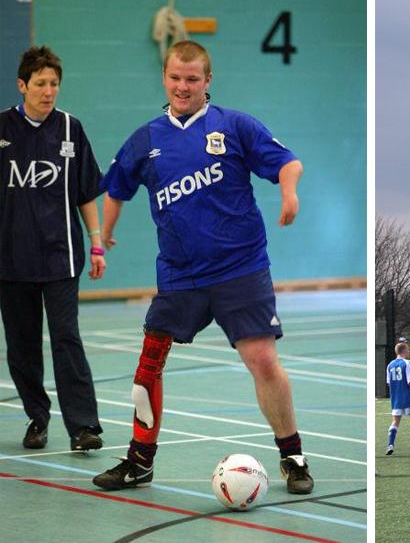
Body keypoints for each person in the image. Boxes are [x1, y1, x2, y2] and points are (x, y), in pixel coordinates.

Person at [92, 41, 311, 493]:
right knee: (147, 367)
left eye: (192, 79)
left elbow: (288, 162)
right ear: (165, 78)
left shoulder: (234, 125)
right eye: (176, 77)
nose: (183, 86)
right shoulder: (146, 138)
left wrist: (289, 193)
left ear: (207, 81)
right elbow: (116, 188)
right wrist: (104, 236)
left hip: (240, 268)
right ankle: (139, 461)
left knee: (263, 361)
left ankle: (293, 456)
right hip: (180, 275)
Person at [0, 46, 105, 452]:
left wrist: (96, 244)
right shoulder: (4, 129)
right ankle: (36, 418)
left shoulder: (70, 129)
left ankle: (84, 427)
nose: (49, 92)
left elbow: (85, 194)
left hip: (61, 258)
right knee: (22, 345)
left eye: (54, 84)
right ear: (22, 85)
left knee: (67, 338)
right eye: (40, 84)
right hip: (10, 261)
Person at [385, 342, 410, 455]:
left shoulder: (390, 365)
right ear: (404, 351)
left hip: (396, 399)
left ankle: (390, 444)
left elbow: (389, 384)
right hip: (409, 397)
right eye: (408, 349)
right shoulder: (408, 363)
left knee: (395, 421)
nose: (409, 351)